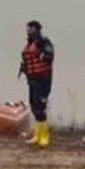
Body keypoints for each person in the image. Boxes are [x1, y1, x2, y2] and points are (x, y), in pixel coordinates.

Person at [20, 20, 56, 148]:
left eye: (30, 29)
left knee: (40, 106)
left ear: (36, 29)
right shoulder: (29, 43)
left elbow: (49, 56)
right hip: (32, 79)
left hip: (43, 79)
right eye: (27, 29)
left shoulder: (43, 42)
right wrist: (24, 67)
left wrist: (41, 56)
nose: (28, 31)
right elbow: (26, 58)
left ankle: (44, 136)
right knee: (34, 106)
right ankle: (37, 135)